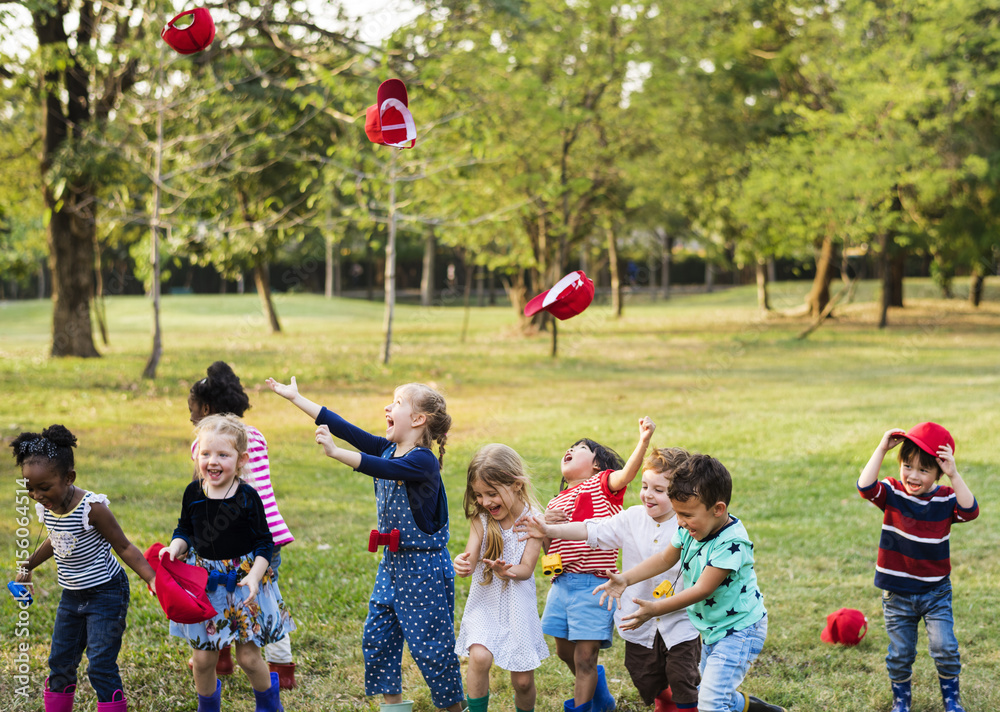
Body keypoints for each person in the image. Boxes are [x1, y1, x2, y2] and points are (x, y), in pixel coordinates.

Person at [266, 376, 465, 712]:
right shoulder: (387, 447)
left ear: (418, 420)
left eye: (397, 403)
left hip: (423, 570)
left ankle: (453, 708)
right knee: (379, 639)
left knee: (431, 649)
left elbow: (381, 468)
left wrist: (335, 452)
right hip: (391, 566)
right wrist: (296, 398)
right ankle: (393, 706)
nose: (388, 407)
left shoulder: (422, 460)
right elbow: (344, 426)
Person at [594, 454, 785, 712]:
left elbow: (702, 589)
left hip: (739, 631)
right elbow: (663, 559)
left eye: (686, 515)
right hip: (712, 629)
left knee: (710, 703)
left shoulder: (731, 544)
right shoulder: (689, 528)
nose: (680, 522)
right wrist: (626, 579)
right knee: (714, 694)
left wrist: (655, 609)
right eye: (677, 514)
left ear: (717, 509)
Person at [516, 446, 700, 712]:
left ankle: (688, 703)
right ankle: (672, 699)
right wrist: (549, 528)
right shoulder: (632, 518)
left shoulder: (687, 525)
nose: (648, 495)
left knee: (682, 677)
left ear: (680, 494)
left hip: (679, 618)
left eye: (659, 490)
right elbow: (592, 529)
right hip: (638, 621)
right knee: (645, 677)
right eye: (645, 486)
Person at [13, 424, 157, 712]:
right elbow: (57, 540)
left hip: (107, 593)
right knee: (60, 662)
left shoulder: (93, 508)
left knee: (101, 664)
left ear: (69, 478)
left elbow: (124, 547)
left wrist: (152, 578)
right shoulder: (48, 507)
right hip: (72, 596)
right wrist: (28, 565)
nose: (37, 495)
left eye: (44, 487)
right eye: (29, 488)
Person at [162, 414, 293, 712]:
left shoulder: (247, 497)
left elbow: (264, 542)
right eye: (206, 454)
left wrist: (255, 576)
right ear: (197, 455)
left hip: (243, 584)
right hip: (204, 584)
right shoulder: (193, 492)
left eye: (223, 454)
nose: (213, 461)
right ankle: (207, 707)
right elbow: (185, 530)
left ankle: (269, 705)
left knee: (248, 658)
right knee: (204, 659)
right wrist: (174, 548)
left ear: (241, 459)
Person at [187, 361, 297, 688]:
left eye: (193, 411)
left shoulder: (203, 447)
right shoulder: (255, 436)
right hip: (271, 533)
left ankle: (219, 655)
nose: (192, 418)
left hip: (235, 538)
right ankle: (282, 668)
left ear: (206, 409)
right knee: (263, 598)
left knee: (223, 595)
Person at [537, 417, 656, 712]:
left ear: (596, 466)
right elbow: (549, 547)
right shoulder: (555, 502)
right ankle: (601, 696)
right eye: (569, 447)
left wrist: (643, 441)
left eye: (579, 448)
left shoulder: (602, 485)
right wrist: (542, 528)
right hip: (561, 585)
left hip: (594, 585)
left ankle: (581, 706)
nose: (570, 449)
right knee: (564, 651)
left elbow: (627, 474)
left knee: (584, 658)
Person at [857, 423, 978, 712]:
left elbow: (970, 510)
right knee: (900, 654)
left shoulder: (946, 499)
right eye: (908, 465)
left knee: (945, 648)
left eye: (924, 470)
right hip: (897, 595)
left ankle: (952, 699)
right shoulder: (892, 492)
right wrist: (882, 448)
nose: (913, 475)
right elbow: (864, 486)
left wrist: (955, 473)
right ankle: (902, 700)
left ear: (938, 472)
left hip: (936, 593)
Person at [453, 444, 549, 712]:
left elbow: (527, 569)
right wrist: (462, 563)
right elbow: (470, 560)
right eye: (479, 495)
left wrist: (508, 571)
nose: (485, 502)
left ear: (517, 485)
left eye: (492, 494)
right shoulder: (481, 519)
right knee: (479, 657)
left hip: (519, 606)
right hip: (486, 603)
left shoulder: (533, 522)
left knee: (523, 682)